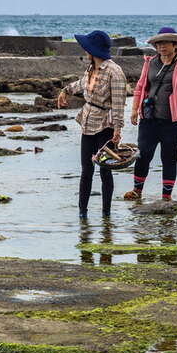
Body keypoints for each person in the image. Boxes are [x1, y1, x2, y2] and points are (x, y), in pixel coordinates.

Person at [57, 29, 127, 218]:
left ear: (93, 50)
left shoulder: (115, 72)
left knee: (105, 171)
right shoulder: (91, 68)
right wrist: (65, 91)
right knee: (86, 170)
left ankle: (106, 214)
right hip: (88, 122)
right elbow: (82, 84)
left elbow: (119, 103)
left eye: (86, 47)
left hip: (106, 125)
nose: (84, 50)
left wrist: (118, 130)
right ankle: (82, 214)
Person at [126, 26, 177, 202]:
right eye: (158, 43)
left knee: (169, 157)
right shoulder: (150, 62)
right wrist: (134, 110)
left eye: (165, 43)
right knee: (143, 154)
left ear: (175, 45)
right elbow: (140, 87)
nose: (161, 47)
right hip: (149, 118)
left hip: (172, 121)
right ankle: (137, 191)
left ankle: (166, 197)